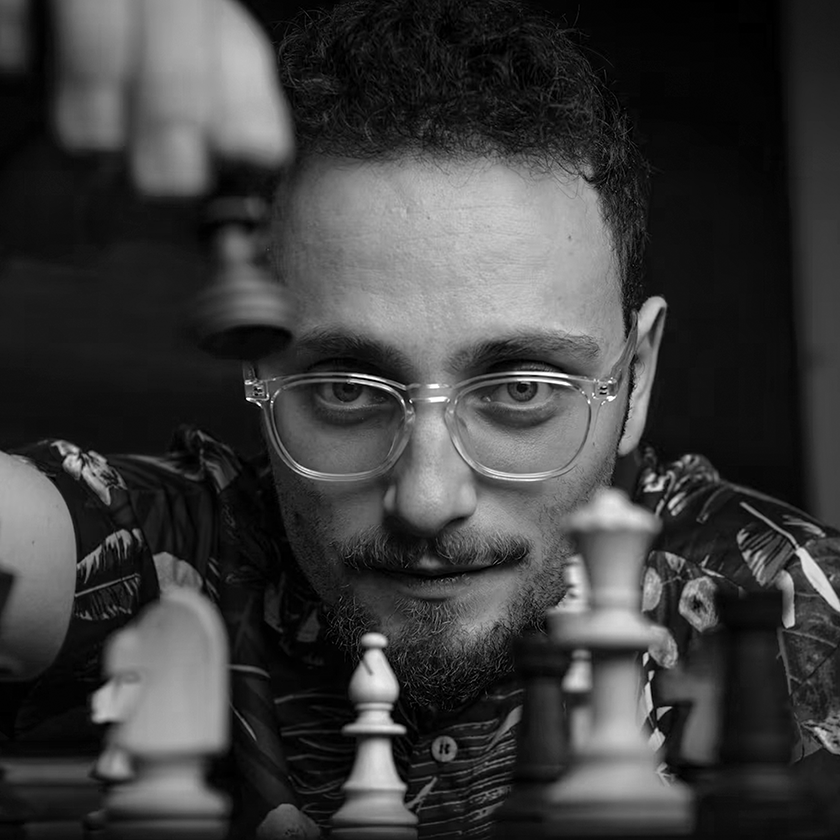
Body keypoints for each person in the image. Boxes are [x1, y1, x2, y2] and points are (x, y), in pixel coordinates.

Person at [2, 0, 840, 838]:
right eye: (349, 390)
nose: (429, 499)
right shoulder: (190, 559)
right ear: (261, 368)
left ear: (638, 374)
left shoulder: (793, 608)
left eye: (520, 389)